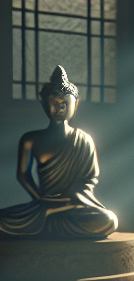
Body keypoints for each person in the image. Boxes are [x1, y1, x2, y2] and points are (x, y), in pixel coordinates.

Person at [0, 66, 118, 238]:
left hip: (72, 206)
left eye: (64, 103)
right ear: (43, 104)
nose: (60, 108)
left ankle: (47, 223)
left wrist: (68, 200)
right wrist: (40, 198)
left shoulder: (84, 140)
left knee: (109, 220)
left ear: (75, 104)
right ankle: (49, 219)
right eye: (54, 103)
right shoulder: (30, 139)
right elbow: (23, 175)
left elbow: (89, 179)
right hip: (42, 206)